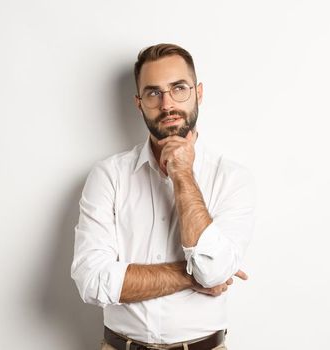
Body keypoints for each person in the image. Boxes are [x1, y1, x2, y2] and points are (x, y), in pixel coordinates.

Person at [71, 43, 255, 350]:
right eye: (153, 93)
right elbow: (92, 281)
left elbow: (213, 270)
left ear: (198, 93)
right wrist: (191, 275)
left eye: (179, 88)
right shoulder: (108, 176)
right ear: (139, 102)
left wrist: (182, 172)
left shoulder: (232, 178)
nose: (167, 104)